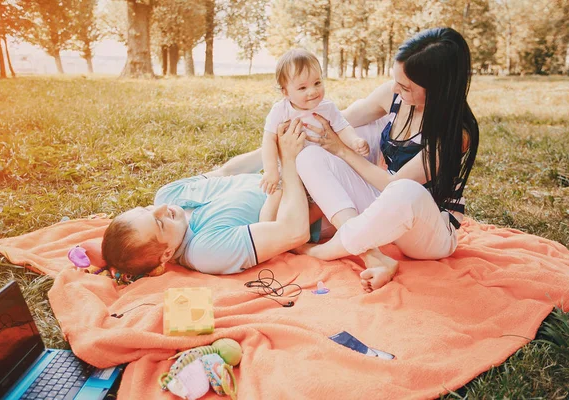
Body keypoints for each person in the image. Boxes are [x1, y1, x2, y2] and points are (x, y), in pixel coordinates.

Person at [293, 27, 479, 293]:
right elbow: (337, 122)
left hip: (429, 229)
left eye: (405, 86)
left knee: (405, 191)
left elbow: (394, 186)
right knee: (311, 155)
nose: (395, 88)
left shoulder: (454, 134)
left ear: (438, 89)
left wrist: (342, 151)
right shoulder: (393, 96)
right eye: (396, 80)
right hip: (387, 205)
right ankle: (374, 256)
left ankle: (322, 252)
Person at [98, 119, 310, 276]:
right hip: (315, 192)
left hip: (290, 163)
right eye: (159, 222)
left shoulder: (169, 195)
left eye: (146, 209)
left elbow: (226, 172)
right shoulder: (205, 251)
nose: (161, 208)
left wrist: (275, 147)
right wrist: (289, 160)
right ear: (166, 254)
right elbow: (295, 232)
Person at [258, 48, 370, 221]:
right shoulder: (281, 110)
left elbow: (342, 127)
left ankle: (300, 234)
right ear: (285, 92)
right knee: (276, 197)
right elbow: (269, 140)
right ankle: (264, 231)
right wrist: (271, 170)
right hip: (288, 171)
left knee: (315, 207)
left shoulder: (327, 108)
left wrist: (354, 141)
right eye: (302, 87)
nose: (312, 91)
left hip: (318, 170)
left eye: (317, 83)